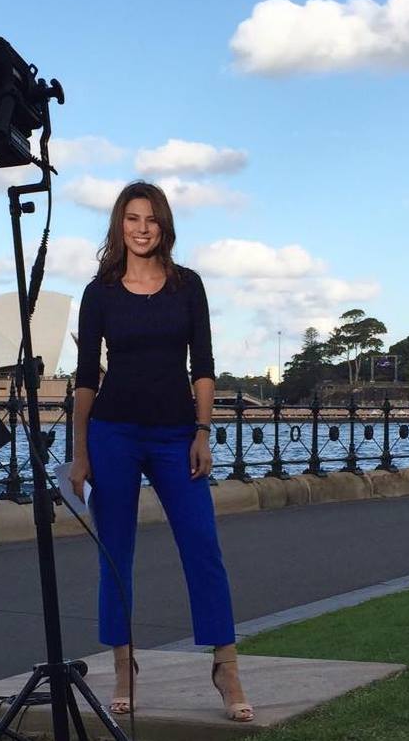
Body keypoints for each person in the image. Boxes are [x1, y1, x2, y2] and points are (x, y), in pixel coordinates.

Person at [69, 181, 254, 722]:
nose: (141, 228)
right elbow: (85, 378)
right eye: (132, 218)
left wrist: (203, 431)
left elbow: (204, 366)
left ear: (164, 225)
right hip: (113, 434)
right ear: (119, 225)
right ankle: (124, 665)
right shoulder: (99, 293)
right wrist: (80, 454)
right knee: (115, 554)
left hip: (176, 434)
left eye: (150, 219)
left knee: (203, 546)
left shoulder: (187, 286)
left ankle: (226, 667)